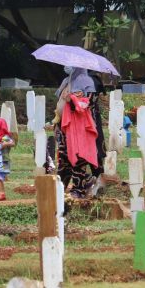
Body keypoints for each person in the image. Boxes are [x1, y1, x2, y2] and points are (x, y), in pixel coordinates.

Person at [54, 66, 99, 199]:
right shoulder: (66, 81)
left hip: (79, 126)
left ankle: (79, 188)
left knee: (79, 157)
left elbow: (89, 103)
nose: (68, 67)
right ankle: (60, 188)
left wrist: (72, 100)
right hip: (63, 125)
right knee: (63, 156)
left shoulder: (87, 82)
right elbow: (60, 102)